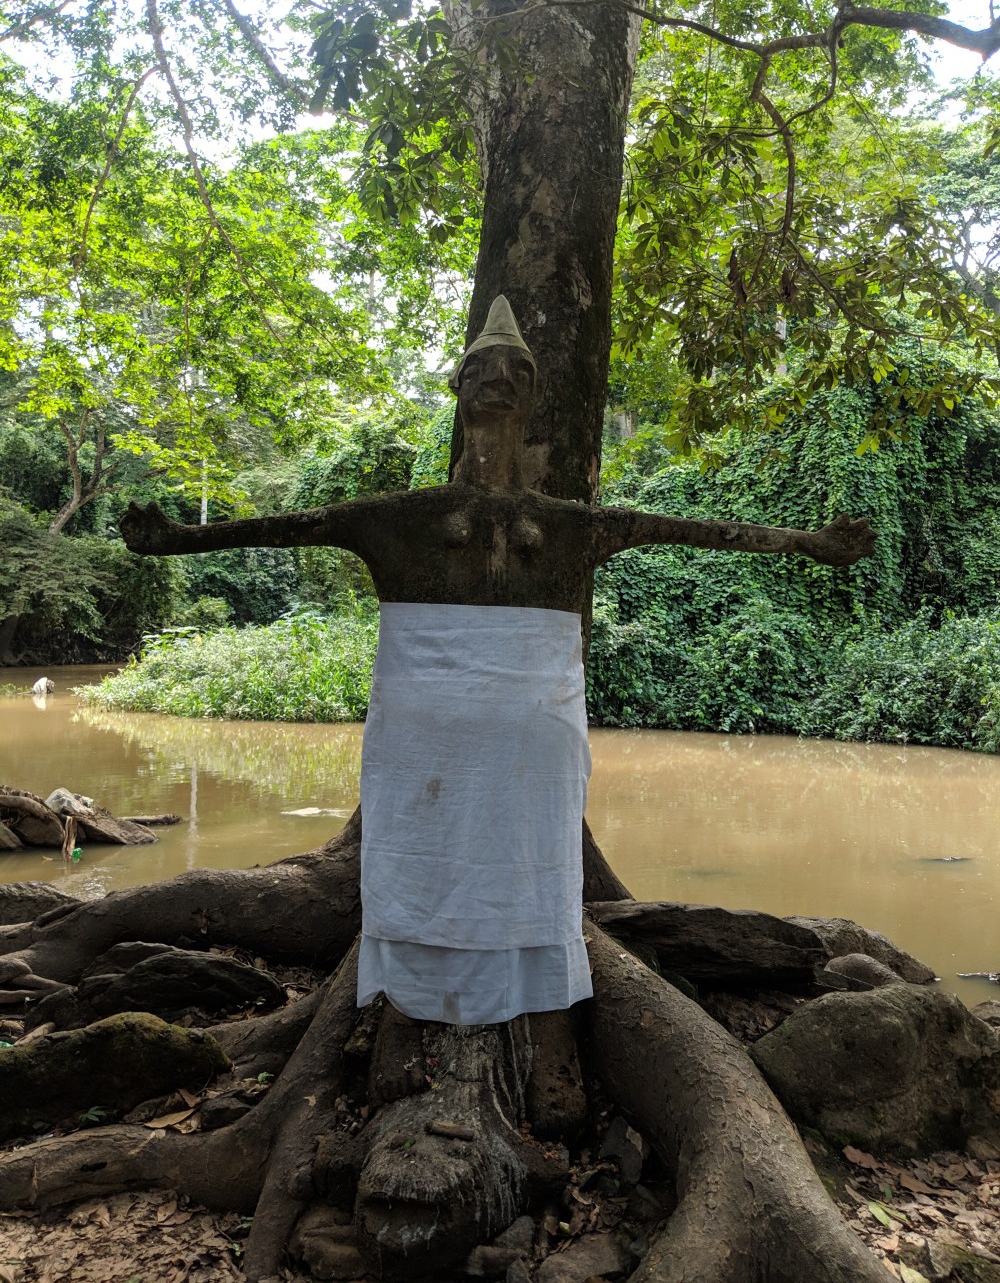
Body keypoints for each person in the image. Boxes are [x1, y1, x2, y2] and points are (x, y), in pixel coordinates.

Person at [120, 297, 874, 1026]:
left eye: (518, 369)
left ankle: (523, 990)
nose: (501, 379)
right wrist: (176, 539)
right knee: (420, 855)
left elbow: (687, 529)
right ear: (458, 385)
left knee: (527, 863)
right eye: (484, 366)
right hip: (425, 736)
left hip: (530, 739)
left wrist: (809, 544)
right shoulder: (404, 519)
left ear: (535, 395)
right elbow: (286, 527)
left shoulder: (568, 526)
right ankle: (417, 986)